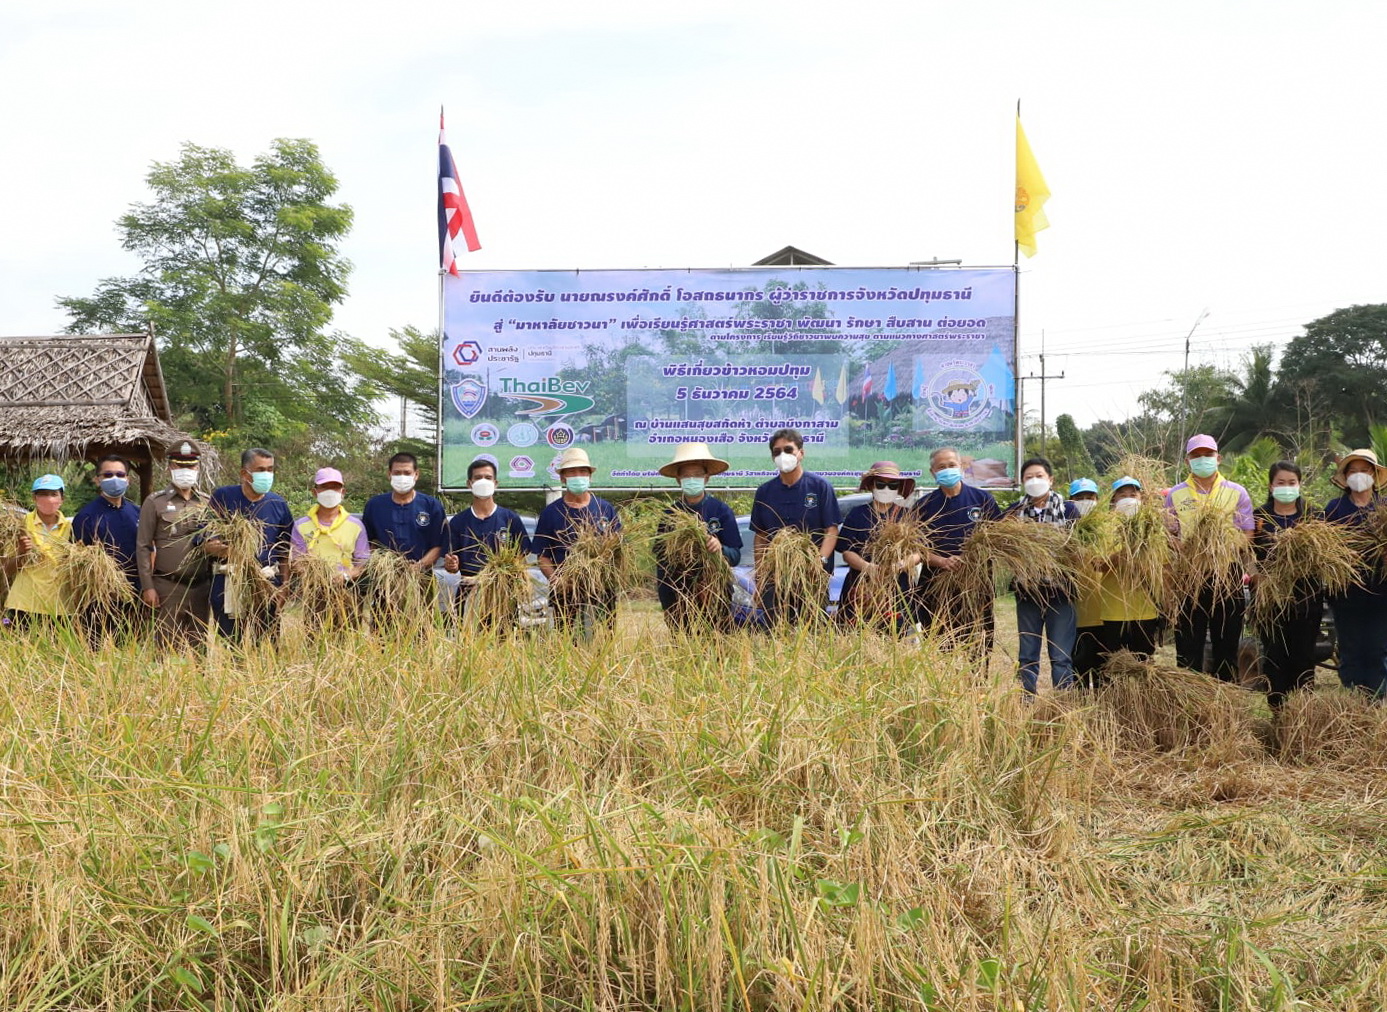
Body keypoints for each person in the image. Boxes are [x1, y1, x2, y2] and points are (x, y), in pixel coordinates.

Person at [1164, 434, 1255, 682]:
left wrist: (1221, 548)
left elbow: (1248, 533)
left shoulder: (1236, 492)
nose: (1202, 459)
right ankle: (1190, 701)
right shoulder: (1175, 494)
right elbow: (1169, 534)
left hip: (1227, 575)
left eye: (1208, 455)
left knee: (1226, 646)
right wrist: (1184, 548)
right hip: (1188, 577)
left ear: (1218, 458)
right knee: (1188, 648)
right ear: (1187, 460)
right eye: (1196, 455)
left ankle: (1225, 704)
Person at [1251, 461, 1324, 710]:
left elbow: (1324, 556)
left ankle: (1302, 713)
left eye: (1291, 483)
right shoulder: (1259, 517)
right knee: (1274, 657)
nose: (1286, 487)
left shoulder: (1313, 516)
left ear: (1299, 485)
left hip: (1306, 597)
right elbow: (1247, 553)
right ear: (1271, 486)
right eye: (1280, 483)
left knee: (1303, 657)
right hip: (1271, 601)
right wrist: (1256, 576)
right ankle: (1277, 712)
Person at [749, 428, 841, 623]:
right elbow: (761, 536)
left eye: (788, 450)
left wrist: (819, 561)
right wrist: (761, 576)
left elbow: (831, 531)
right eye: (777, 451)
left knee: (812, 634)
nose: (783, 455)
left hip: (812, 576)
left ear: (801, 453)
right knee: (775, 634)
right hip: (775, 578)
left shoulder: (820, 487)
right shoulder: (765, 492)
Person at [1004, 457, 1079, 695]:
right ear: (1022, 482)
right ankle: (1026, 699)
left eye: (1039, 476)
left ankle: (1063, 703)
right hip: (1028, 592)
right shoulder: (1013, 513)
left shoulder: (1068, 509)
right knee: (1027, 655)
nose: (1034, 481)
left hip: (1061, 592)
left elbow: (1079, 549)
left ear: (1051, 479)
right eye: (1029, 477)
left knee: (1061, 656)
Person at [913, 446, 1002, 646]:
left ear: (961, 467)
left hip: (976, 585)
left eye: (951, 465)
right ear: (932, 472)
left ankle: (977, 678)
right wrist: (941, 561)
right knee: (940, 644)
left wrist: (971, 559)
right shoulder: (923, 505)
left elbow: (998, 539)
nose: (947, 469)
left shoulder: (983, 500)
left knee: (977, 644)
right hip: (935, 587)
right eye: (941, 466)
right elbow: (915, 547)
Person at [204, 447, 293, 640]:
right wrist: (229, 550)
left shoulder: (278, 504)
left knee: (266, 644)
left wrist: (284, 586)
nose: (267, 475)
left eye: (270, 469)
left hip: (266, 583)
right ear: (245, 473)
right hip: (229, 582)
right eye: (261, 470)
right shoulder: (223, 497)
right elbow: (207, 541)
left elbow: (284, 550)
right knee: (230, 643)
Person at [654, 443, 741, 631]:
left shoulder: (721, 511)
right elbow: (661, 561)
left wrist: (720, 548)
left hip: (715, 595)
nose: (692, 479)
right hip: (680, 596)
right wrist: (667, 601)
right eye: (686, 475)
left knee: (715, 648)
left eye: (697, 475)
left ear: (706, 477)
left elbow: (735, 556)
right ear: (678, 479)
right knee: (684, 648)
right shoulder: (670, 515)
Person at [534, 447, 622, 632]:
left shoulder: (604, 508)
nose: (578, 476)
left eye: (582, 471)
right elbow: (542, 556)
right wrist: (556, 579)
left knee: (602, 636)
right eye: (572, 472)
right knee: (565, 636)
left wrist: (608, 575)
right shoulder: (551, 513)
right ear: (562, 478)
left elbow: (618, 547)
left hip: (601, 589)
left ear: (590, 476)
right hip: (565, 591)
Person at [1323, 448, 1387, 697]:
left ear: (1373, 475)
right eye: (1353, 471)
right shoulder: (1334, 508)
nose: (1359, 476)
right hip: (1346, 593)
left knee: (1378, 648)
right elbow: (1324, 550)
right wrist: (1342, 556)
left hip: (1381, 592)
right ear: (1345, 477)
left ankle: (1378, 701)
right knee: (1350, 648)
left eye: (1364, 471)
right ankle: (1353, 700)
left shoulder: (1384, 508)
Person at [136, 443, 213, 644]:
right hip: (168, 586)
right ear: (170, 467)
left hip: (201, 587)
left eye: (190, 467)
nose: (185, 471)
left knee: (199, 647)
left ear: (197, 468)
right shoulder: (155, 502)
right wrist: (148, 587)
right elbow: (143, 546)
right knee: (166, 647)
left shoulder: (207, 503)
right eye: (180, 466)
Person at [443, 458, 531, 624]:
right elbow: (451, 565)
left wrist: (500, 573)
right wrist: (452, 565)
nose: (483, 481)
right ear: (469, 483)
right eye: (478, 478)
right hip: (469, 591)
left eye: (488, 477)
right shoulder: (458, 522)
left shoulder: (510, 519)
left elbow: (522, 556)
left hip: (503, 592)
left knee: (504, 643)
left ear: (496, 483)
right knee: (468, 643)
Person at [837, 461, 918, 631]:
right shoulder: (857, 514)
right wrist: (868, 568)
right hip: (861, 586)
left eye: (892, 485)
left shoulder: (907, 515)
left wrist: (900, 565)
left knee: (896, 638)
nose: (886, 489)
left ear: (899, 487)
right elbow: (847, 551)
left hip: (897, 587)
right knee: (856, 635)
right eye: (881, 484)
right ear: (872, 485)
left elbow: (918, 552)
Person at [72, 453, 143, 640]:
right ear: (97, 480)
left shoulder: (137, 513)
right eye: (108, 475)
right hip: (100, 601)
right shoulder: (86, 517)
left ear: (128, 480)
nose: (115, 479)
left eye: (120, 475)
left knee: (133, 653)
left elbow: (148, 551)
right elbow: (79, 563)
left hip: (136, 598)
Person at [289, 467, 370, 627]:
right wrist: (317, 578)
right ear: (314, 492)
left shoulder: (355, 525)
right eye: (324, 487)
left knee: (348, 640)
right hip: (315, 594)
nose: (330, 491)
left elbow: (363, 563)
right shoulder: (301, 525)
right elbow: (296, 560)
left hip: (348, 592)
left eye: (335, 487)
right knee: (315, 640)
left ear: (343, 492)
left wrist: (345, 577)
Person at [1100, 477, 1162, 661]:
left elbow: (1162, 566)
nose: (1128, 499)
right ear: (1113, 500)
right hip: (1113, 609)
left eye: (1133, 495)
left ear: (1142, 498)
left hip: (1145, 609)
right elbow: (1097, 565)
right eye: (1122, 495)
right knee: (1114, 663)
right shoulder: (1103, 527)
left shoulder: (1152, 528)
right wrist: (1123, 554)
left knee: (1143, 662)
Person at [2, 474, 72, 628]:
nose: (48, 499)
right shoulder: (19, 525)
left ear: (62, 499)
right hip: (23, 603)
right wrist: (21, 553)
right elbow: (6, 569)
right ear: (34, 498)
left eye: (53, 494)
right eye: (43, 494)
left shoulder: (71, 529)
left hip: (59, 606)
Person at [360, 452, 446, 572]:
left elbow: (438, 545)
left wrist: (418, 567)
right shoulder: (374, 505)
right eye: (397, 473)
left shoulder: (431, 505)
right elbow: (367, 543)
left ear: (416, 475)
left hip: (421, 578)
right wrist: (378, 566)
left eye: (407, 473)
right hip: (383, 577)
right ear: (389, 474)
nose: (402, 477)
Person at [1067, 478, 1106, 687]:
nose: (1085, 502)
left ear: (1098, 499)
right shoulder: (1065, 532)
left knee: (1101, 667)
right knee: (1078, 666)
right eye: (1079, 498)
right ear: (1070, 501)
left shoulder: (1106, 529)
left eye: (1090, 497)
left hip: (1104, 612)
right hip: (1075, 612)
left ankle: (1101, 713)